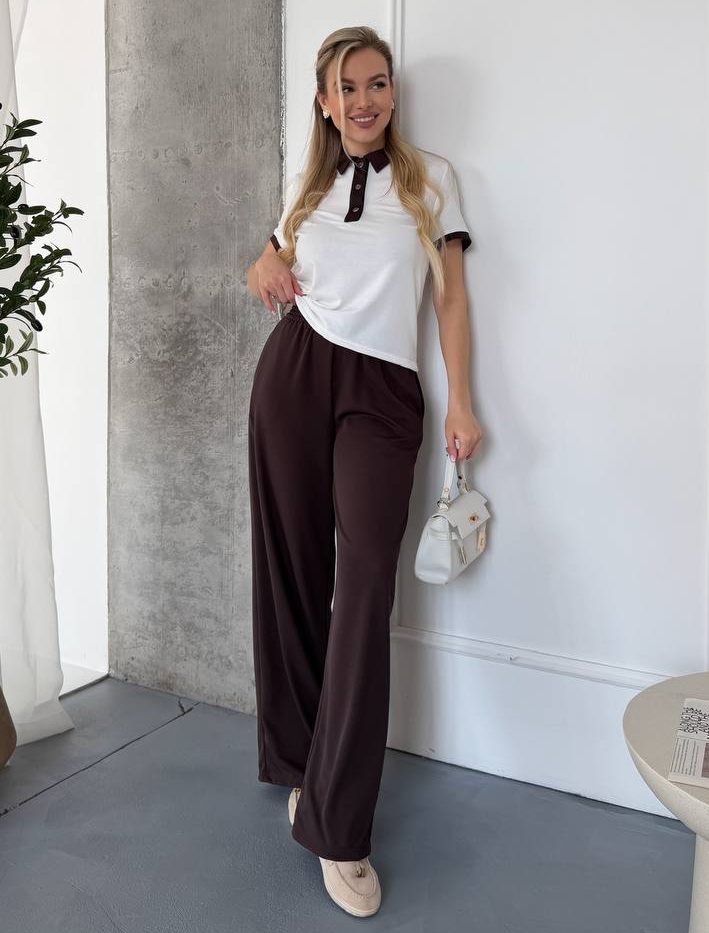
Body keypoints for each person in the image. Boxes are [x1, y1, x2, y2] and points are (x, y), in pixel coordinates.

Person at [245, 25, 483, 918]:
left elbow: (450, 300)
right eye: (346, 88)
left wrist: (461, 402)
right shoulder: (305, 186)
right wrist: (264, 259)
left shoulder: (431, 180)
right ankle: (300, 762)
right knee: (293, 572)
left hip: (381, 392)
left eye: (376, 83)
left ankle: (339, 826)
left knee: (365, 586)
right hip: (293, 374)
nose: (363, 100)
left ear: (391, 92)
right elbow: (273, 257)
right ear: (324, 102)